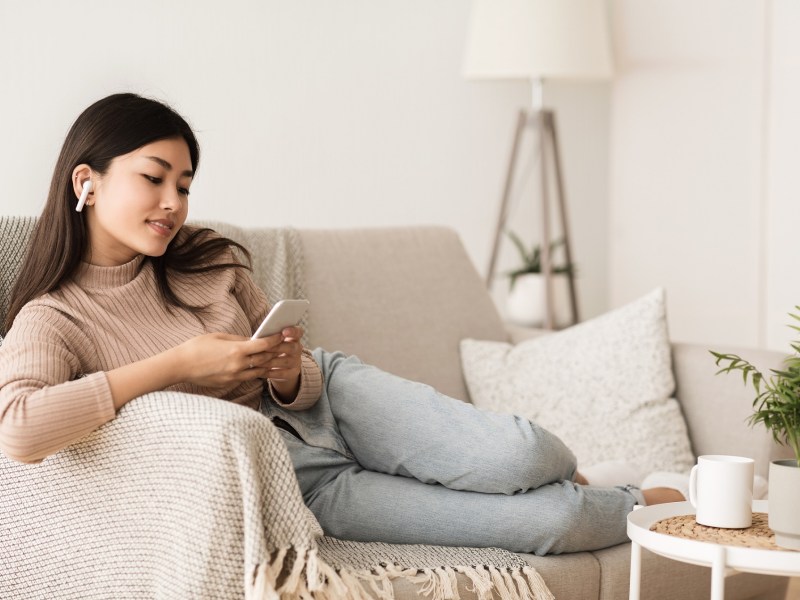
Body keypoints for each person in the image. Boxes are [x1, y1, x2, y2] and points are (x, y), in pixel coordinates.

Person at [0, 93, 684, 557]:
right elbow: (20, 431)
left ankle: (587, 475)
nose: (173, 202)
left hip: (337, 399)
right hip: (293, 482)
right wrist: (177, 368)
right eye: (155, 178)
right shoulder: (54, 317)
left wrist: (287, 369)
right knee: (555, 521)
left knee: (525, 456)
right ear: (86, 182)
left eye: (183, 184)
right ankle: (644, 498)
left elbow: (294, 382)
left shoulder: (208, 263)